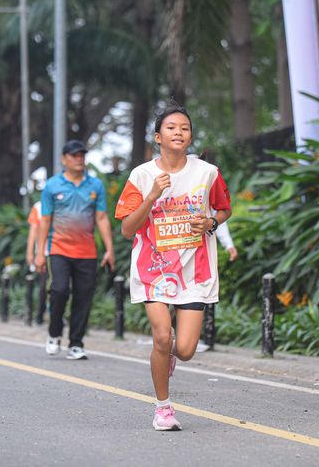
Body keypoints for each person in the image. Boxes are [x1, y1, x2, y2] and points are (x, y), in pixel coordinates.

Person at [115, 105, 231, 431]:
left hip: (195, 271)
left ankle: (168, 357)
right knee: (162, 337)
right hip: (153, 270)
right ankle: (163, 408)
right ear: (158, 137)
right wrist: (152, 195)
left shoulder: (207, 173)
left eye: (184, 128)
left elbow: (224, 210)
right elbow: (127, 229)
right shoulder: (141, 176)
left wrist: (210, 222)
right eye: (171, 127)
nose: (178, 132)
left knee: (185, 350)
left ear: (190, 137)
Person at [34, 139, 115, 360]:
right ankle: (54, 333)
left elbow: (101, 217)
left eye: (82, 155)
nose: (79, 159)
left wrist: (109, 249)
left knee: (83, 297)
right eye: (74, 155)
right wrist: (40, 253)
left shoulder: (95, 185)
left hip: (87, 252)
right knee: (59, 290)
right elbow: (45, 220)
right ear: (64, 159)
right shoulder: (52, 185)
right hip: (58, 249)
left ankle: (76, 344)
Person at [26, 200, 49, 324]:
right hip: (44, 254)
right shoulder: (38, 207)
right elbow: (33, 231)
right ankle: (40, 314)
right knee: (44, 285)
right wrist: (30, 253)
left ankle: (55, 314)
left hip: (62, 252)